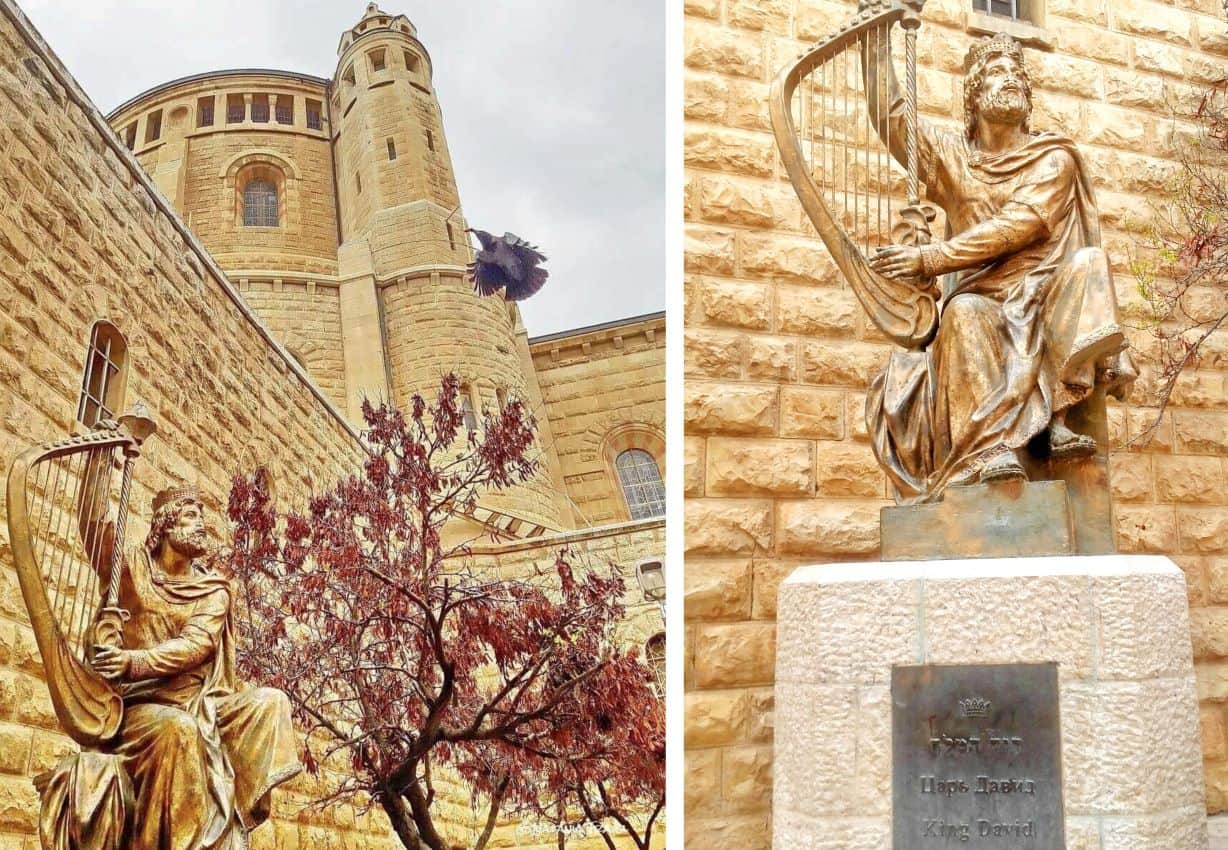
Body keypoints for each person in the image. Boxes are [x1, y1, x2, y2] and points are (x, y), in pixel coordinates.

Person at [861, 30, 1136, 502]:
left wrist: (929, 258)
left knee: (1091, 262)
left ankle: (1057, 416)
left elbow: (1019, 225)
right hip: (981, 299)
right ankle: (992, 451)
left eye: (1016, 76)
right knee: (964, 311)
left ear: (1028, 100)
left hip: (1046, 294)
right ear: (974, 95)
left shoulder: (1052, 158)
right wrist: (876, 35)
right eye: (995, 73)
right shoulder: (950, 157)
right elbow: (892, 120)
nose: (1009, 80)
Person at [41, 439, 301, 850]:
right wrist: (99, 458)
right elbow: (94, 526)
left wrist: (130, 660)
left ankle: (226, 827)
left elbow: (195, 646)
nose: (201, 524)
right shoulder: (131, 570)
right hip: (136, 710)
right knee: (177, 730)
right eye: (190, 515)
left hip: (202, 705)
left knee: (271, 702)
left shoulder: (213, 588)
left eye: (202, 516)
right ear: (164, 525)